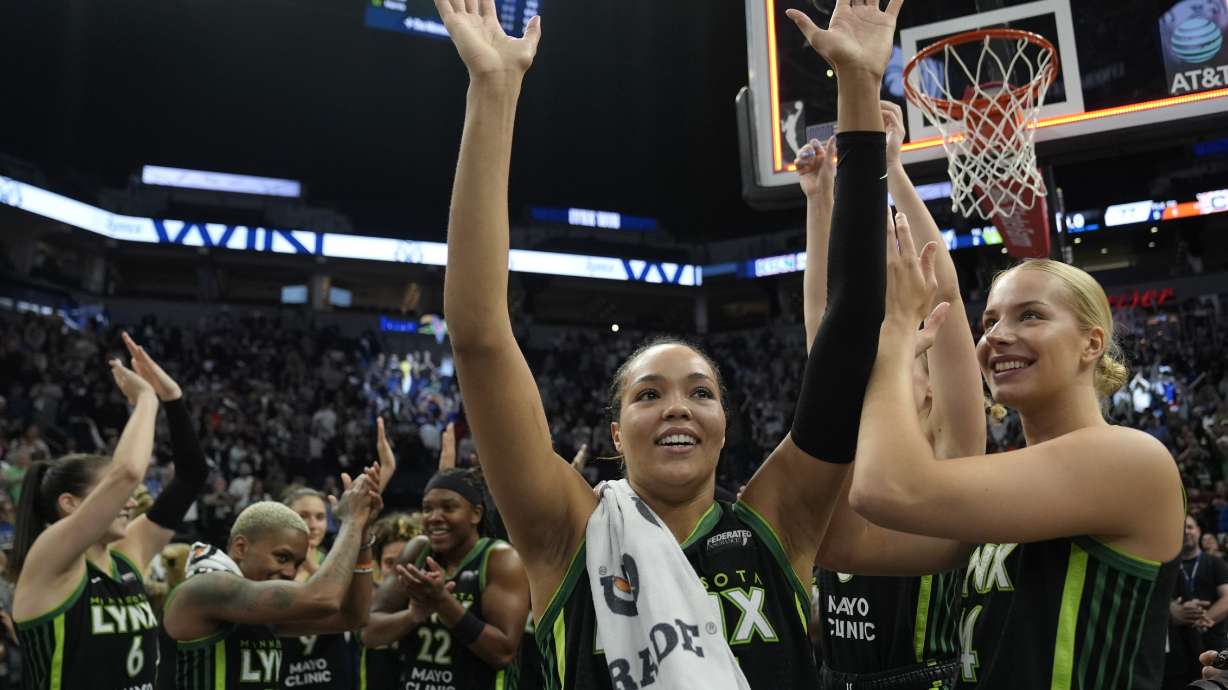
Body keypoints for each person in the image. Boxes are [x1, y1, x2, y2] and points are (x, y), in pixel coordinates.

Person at [436, 0, 905, 687]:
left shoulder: (779, 522)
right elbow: (479, 337)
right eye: (649, 395)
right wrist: (493, 88)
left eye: (701, 393)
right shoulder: (567, 531)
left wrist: (860, 86)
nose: (678, 407)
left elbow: (856, 321)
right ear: (617, 436)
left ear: (724, 426)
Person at [834, 202, 1184, 686]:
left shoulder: (1129, 459)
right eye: (990, 322)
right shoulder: (1009, 484)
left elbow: (886, 490)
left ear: (1092, 343)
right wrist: (892, 166)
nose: (998, 336)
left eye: (1030, 316)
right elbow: (844, 544)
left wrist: (895, 334)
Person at [798, 99, 984, 690]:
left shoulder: (948, 456)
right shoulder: (845, 445)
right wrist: (819, 197)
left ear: (931, 393)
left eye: (902, 357)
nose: (876, 365)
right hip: (835, 678)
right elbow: (823, 320)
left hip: (925, 676)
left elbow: (945, 298)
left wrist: (894, 169)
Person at [12, 333, 208, 690]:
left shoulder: (126, 556)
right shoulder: (51, 559)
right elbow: (128, 472)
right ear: (69, 503)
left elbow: (192, 476)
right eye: (119, 495)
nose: (131, 502)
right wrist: (145, 400)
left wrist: (173, 398)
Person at [162, 465, 383, 690]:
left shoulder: (260, 609)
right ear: (240, 547)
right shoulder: (208, 587)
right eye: (282, 557)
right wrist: (352, 522)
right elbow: (323, 599)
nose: (289, 572)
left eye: (297, 563)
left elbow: (353, 616)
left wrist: (363, 535)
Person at [363, 468, 529, 690]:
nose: (434, 517)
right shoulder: (418, 550)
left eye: (448, 508)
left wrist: (443, 602)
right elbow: (368, 633)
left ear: (476, 514)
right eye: (427, 509)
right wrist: (412, 615)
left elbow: (502, 653)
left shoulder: (500, 559)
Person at [278, 418, 399, 690]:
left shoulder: (334, 560)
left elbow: (351, 600)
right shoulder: (273, 567)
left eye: (320, 517)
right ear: (285, 518)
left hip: (334, 678)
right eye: (303, 516)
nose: (312, 524)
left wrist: (386, 471)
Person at [358, 511, 421, 690]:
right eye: (390, 563)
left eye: (410, 561)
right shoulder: (365, 601)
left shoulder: (432, 600)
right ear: (377, 564)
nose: (400, 570)